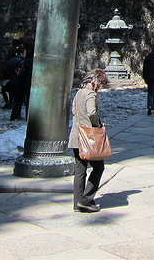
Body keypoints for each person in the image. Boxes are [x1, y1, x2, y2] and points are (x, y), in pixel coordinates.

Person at [67, 68, 109, 213]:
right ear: (98, 81)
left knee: (80, 170)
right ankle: (85, 200)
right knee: (98, 167)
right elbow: (92, 112)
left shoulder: (79, 92)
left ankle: (77, 203)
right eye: (102, 84)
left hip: (76, 136)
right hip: (88, 138)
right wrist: (98, 124)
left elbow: (74, 111)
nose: (101, 87)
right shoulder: (90, 94)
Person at [4, 46, 26, 121]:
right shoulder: (22, 62)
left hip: (11, 80)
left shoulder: (9, 61)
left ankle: (13, 114)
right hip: (19, 82)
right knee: (19, 99)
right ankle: (17, 115)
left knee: (15, 98)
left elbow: (6, 70)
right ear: (21, 53)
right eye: (24, 53)